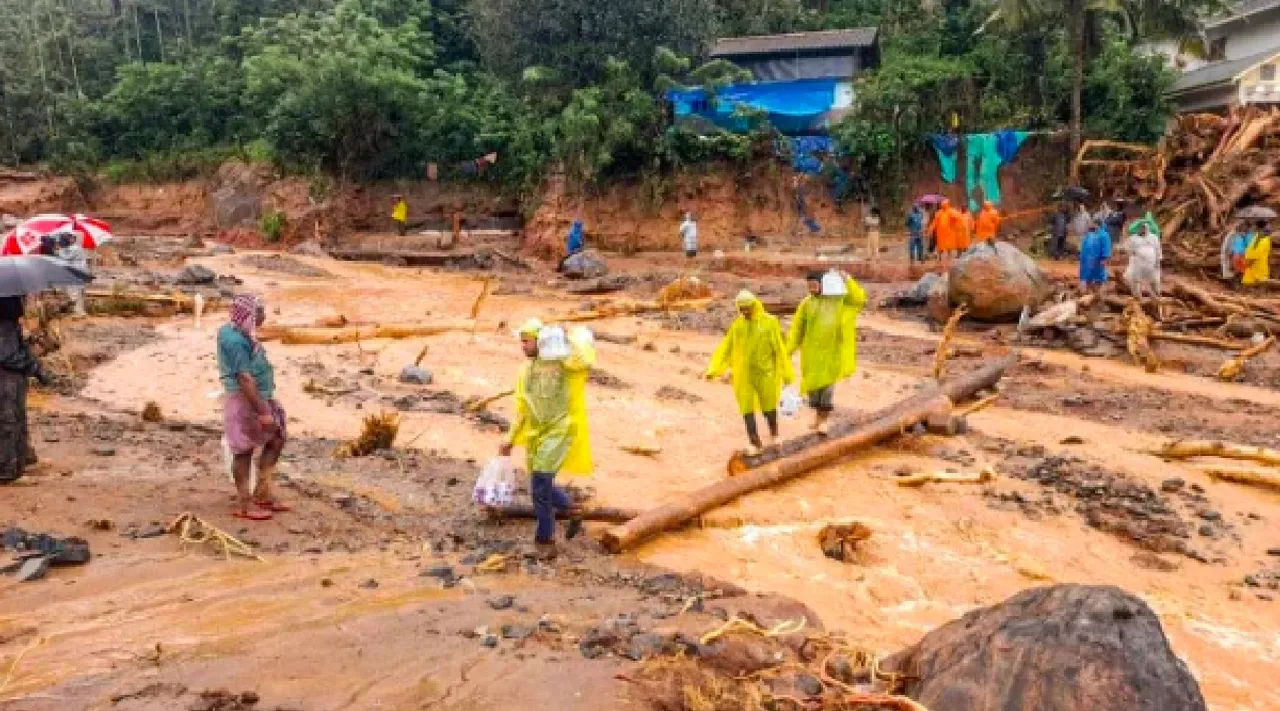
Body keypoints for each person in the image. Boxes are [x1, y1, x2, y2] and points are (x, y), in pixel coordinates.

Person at [500, 324, 595, 559]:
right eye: (521, 342)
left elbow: (585, 361)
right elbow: (522, 408)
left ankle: (545, 541)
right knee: (540, 482)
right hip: (537, 435)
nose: (523, 346)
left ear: (540, 341)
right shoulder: (525, 371)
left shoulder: (562, 364)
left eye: (527, 341)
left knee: (540, 485)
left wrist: (567, 338)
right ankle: (571, 509)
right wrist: (509, 438)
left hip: (560, 430)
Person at [218, 294, 289, 521]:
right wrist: (263, 411)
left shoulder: (238, 333)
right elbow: (244, 378)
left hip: (260, 396)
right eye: (260, 312)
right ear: (249, 315)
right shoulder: (236, 341)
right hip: (245, 400)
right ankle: (245, 503)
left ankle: (263, 492)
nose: (264, 316)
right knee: (243, 449)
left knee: (276, 438)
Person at [705, 291, 794, 456]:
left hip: (766, 372)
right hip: (743, 374)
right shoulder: (738, 325)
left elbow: (779, 349)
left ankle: (775, 434)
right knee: (746, 408)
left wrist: (786, 373)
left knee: (769, 406)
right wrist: (714, 369)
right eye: (741, 309)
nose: (745, 312)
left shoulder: (770, 322)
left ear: (755, 305)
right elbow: (726, 347)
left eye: (747, 308)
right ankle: (755, 443)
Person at [787, 270, 867, 436]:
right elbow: (797, 330)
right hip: (811, 354)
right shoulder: (806, 304)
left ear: (823, 284)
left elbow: (858, 300)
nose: (812, 288)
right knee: (813, 390)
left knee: (827, 390)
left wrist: (849, 280)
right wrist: (787, 351)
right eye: (809, 286)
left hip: (831, 352)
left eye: (814, 285)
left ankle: (823, 421)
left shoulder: (837, 300)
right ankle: (817, 417)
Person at [0, 297, 49, 484]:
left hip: (11, 379)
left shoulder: (11, 326)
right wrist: (35, 368)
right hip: (7, 380)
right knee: (8, 423)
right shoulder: (6, 327)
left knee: (13, 423)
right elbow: (9, 356)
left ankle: (15, 465)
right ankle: (6, 471)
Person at [1124, 222, 1162, 300]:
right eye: (1141, 228)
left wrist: (1158, 261)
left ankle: (1157, 295)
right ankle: (1137, 296)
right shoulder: (1133, 238)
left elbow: (1158, 249)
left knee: (1154, 280)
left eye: (1144, 228)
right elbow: (1127, 247)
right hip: (1137, 263)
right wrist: (1131, 252)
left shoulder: (1153, 237)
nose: (1142, 230)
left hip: (1151, 263)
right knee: (1135, 279)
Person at [55, 233, 89, 317]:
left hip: (77, 272)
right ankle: (80, 311)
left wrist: (59, 250)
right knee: (78, 292)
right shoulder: (74, 247)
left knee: (75, 292)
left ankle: (79, 312)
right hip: (78, 272)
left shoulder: (74, 248)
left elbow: (66, 257)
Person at [1078, 218, 1112, 295]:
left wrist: (1104, 258)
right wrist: (1082, 256)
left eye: (1093, 224)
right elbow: (1084, 246)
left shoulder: (1104, 235)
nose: (1091, 225)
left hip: (1098, 260)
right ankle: (1088, 293)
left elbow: (1106, 247)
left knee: (1099, 277)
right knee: (1087, 277)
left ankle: (1100, 294)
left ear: (1097, 225)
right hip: (1087, 261)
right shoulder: (1090, 234)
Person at [930, 199, 964, 265]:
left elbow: (959, 218)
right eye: (942, 205)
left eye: (944, 205)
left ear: (947, 205)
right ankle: (939, 257)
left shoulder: (951, 211)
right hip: (940, 233)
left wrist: (956, 225)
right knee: (940, 246)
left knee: (949, 246)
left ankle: (949, 256)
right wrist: (931, 230)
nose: (943, 206)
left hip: (949, 233)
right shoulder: (939, 213)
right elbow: (934, 222)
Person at [1243, 220, 1272, 288]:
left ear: (1257, 228)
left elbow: (1252, 258)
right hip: (1258, 272)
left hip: (1256, 275)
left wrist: (1244, 265)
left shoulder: (1261, 240)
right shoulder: (1261, 238)